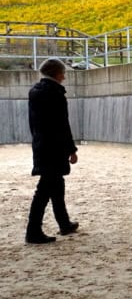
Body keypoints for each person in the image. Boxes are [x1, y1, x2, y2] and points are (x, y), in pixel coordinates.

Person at [25, 57, 79, 244]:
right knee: (45, 189)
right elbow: (62, 125)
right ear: (57, 73)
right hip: (54, 148)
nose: (64, 77)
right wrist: (71, 149)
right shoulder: (55, 94)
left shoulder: (36, 92)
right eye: (63, 73)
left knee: (56, 186)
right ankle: (33, 231)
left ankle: (64, 223)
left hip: (42, 145)